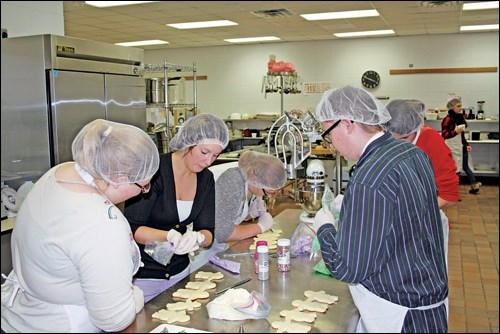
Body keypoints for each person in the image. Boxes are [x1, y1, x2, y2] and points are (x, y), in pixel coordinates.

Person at [1, 119, 160, 333]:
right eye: (143, 185)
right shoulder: (101, 223)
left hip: (21, 317)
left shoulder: (59, 173)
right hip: (61, 325)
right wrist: (135, 298)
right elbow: (114, 319)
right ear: (119, 179)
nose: (146, 191)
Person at [313, 86, 448, 333]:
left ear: (347, 123)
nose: (331, 145)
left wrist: (324, 228)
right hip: (428, 297)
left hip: (400, 313)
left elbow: (348, 269)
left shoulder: (369, 177)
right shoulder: (412, 152)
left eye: (328, 135)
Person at [123, 114, 229, 303]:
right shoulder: (154, 171)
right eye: (204, 152)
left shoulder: (205, 179)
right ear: (188, 143)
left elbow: (208, 230)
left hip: (180, 273)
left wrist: (199, 237)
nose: (208, 162)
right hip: (143, 276)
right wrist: (169, 236)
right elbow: (133, 228)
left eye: (215, 155)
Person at [384, 98, 459, 266]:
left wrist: (411, 213)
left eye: (403, 139)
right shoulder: (387, 139)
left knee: (425, 278)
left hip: (426, 224)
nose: (396, 144)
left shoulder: (432, 141)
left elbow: (448, 195)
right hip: (398, 224)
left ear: (415, 129)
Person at [190, 150, 287, 272]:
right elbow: (223, 233)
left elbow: (228, 210)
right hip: (196, 246)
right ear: (254, 178)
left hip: (215, 246)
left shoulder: (249, 176)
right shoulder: (232, 181)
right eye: (268, 192)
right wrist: (260, 227)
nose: (270, 197)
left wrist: (249, 212)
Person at [441, 98, 482, 194]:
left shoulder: (459, 118)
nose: (460, 108)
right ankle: (453, 191)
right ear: (452, 107)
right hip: (451, 147)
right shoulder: (447, 119)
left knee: (465, 166)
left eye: (461, 106)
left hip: (460, 146)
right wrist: (455, 132)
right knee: (455, 169)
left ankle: (474, 185)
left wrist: (466, 144)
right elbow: (444, 134)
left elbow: (461, 135)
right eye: (458, 106)